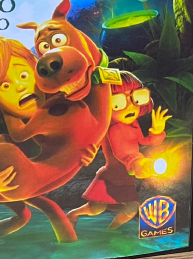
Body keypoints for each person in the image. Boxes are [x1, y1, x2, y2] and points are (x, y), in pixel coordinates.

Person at [67, 72, 169, 229]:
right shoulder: (109, 130)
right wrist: (138, 164)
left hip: (126, 177)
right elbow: (121, 153)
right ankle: (73, 215)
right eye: (118, 102)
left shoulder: (133, 124)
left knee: (129, 208)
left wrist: (156, 132)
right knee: (98, 208)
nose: (130, 106)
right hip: (111, 176)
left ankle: (111, 231)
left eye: (137, 98)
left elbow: (144, 141)